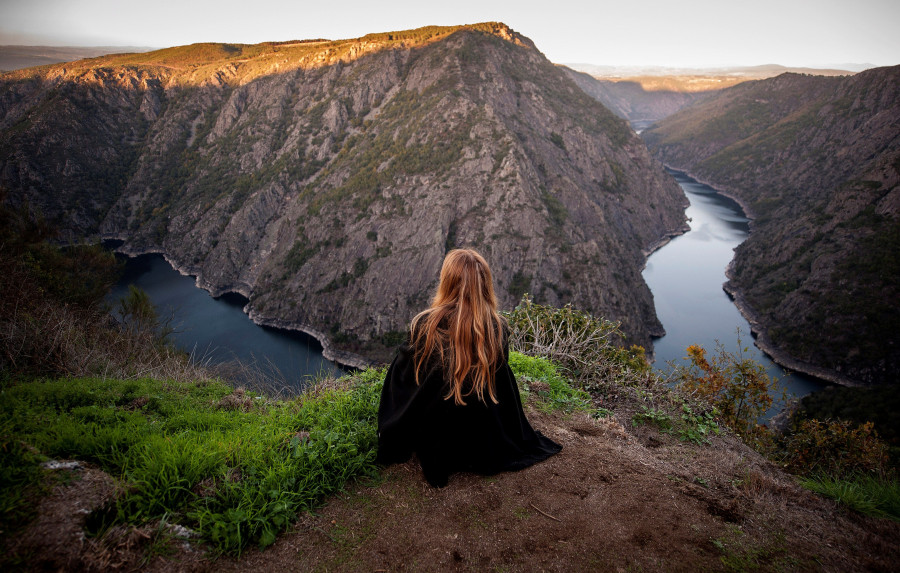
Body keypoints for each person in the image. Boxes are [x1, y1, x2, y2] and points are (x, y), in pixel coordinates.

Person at [376, 249, 562, 487]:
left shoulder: (426, 325)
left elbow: (405, 379)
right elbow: (499, 384)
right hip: (481, 436)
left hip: (439, 436)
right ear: (485, 285)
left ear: (447, 282)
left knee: (405, 365)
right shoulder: (497, 328)